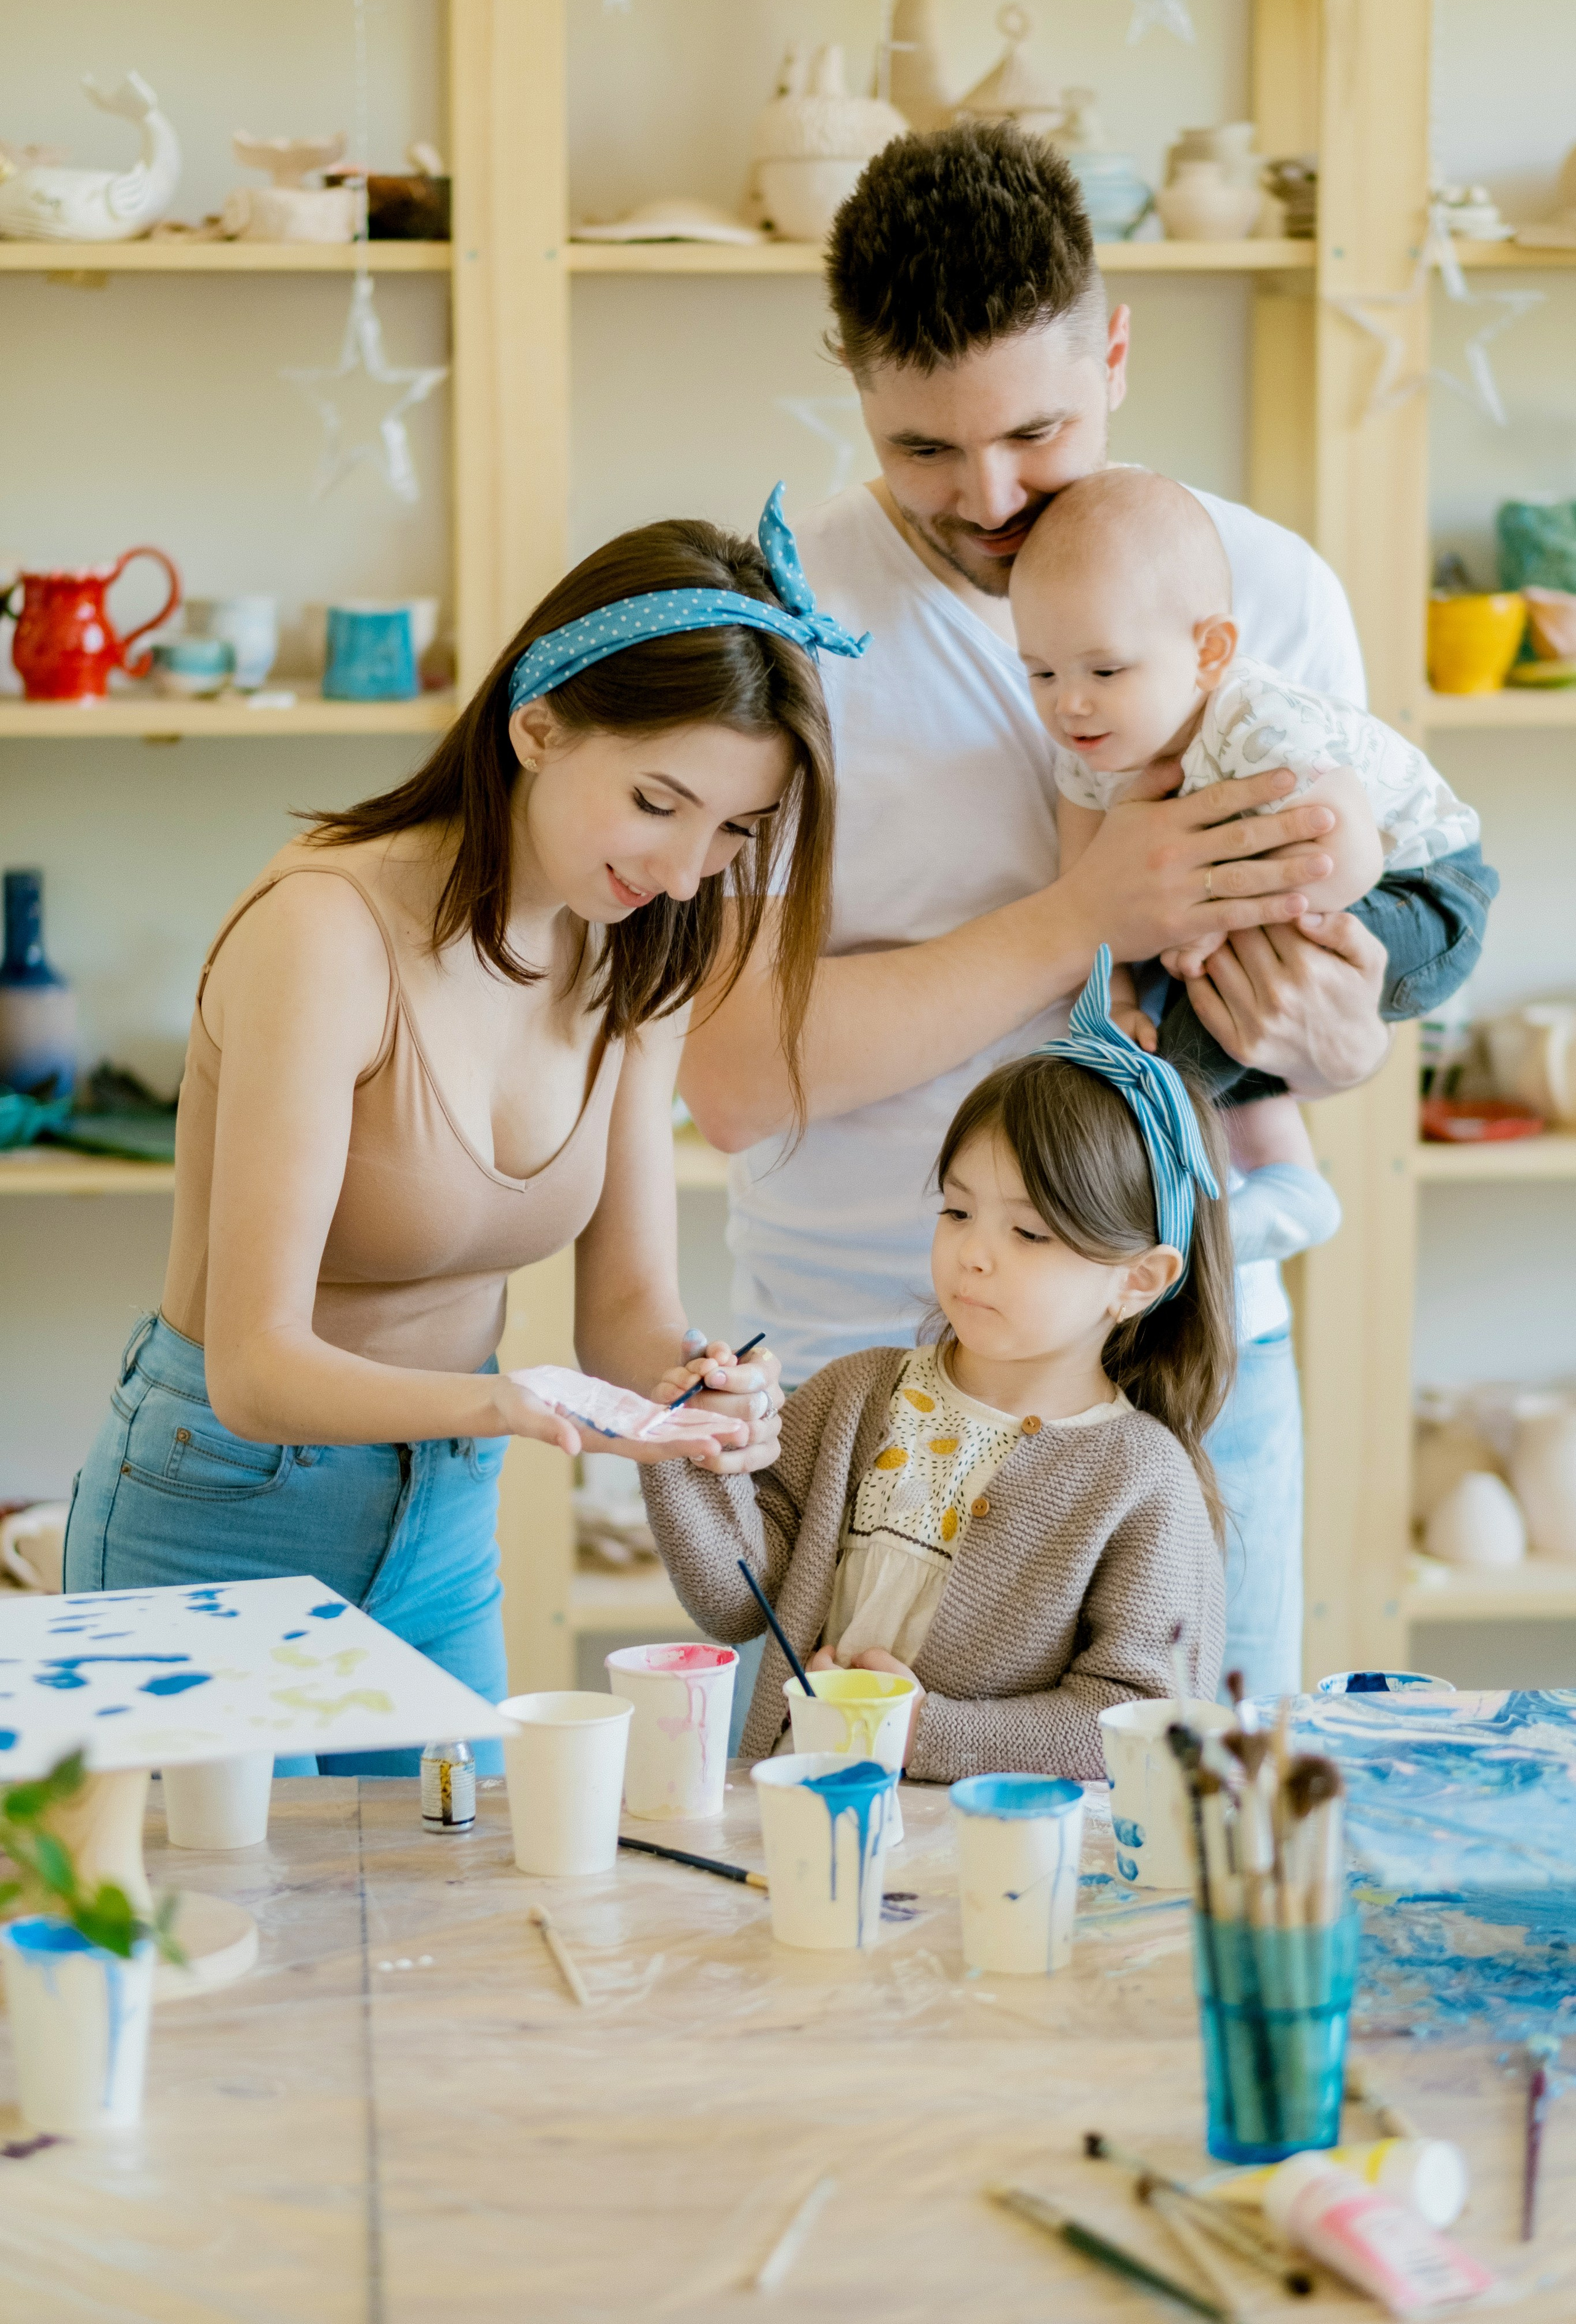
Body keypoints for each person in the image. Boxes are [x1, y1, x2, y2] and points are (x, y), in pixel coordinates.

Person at [677, 123, 1485, 1700]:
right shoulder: (786, 619)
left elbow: (1335, 1025)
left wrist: (1333, 1027)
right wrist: (1081, 912)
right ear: (851, 392)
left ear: (1113, 350)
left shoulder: (1264, 594)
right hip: (863, 1379)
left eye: (1033, 432)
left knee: (1183, 1860)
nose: (985, 498)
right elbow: (730, 1076)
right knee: (847, 1889)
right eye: (921, 449)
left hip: (1180, 1362)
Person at [62, 490, 854, 1773]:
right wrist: (510, 1399)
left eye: (732, 832)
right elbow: (254, 1368)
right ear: (534, 725)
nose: (684, 868)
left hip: (442, 1529)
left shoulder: (641, 953)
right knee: (203, 1952)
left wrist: (695, 1393)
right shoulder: (325, 933)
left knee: (447, 1948)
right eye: (658, 802)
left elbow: (627, 1313)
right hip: (214, 1513)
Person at [641, 953, 1229, 1781]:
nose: (973, 1255)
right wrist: (686, 1452)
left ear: (1139, 1280)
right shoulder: (856, 1396)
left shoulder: (1142, 1479)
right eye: (957, 1211)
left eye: (1030, 1233)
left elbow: (1139, 1723)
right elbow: (739, 1601)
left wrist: (925, 1733)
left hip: (988, 1864)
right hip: (797, 1820)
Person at [1011, 467, 1490, 1118]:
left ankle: (1154, 1131)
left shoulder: (1260, 728)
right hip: (1306, 910)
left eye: (1105, 670)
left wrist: (1206, 919)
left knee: (1202, 1014)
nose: (1068, 704)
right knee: (1184, 1000)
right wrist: (1115, 1001)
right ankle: (1266, 1166)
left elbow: (1349, 860)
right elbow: (1082, 899)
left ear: (1209, 652)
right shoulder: (1087, 750)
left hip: (1422, 894)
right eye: (1040, 672)